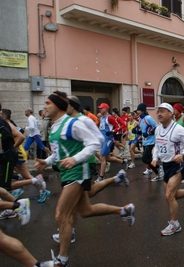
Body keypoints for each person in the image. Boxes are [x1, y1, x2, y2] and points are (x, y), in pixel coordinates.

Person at [35, 91, 135, 267]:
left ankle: (62, 260)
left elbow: (95, 142)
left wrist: (76, 158)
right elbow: (58, 153)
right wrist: (47, 161)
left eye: (48, 103)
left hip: (78, 171)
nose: (44, 107)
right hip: (67, 172)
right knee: (86, 210)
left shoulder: (74, 123)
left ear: (59, 105)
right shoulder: (54, 126)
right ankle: (124, 211)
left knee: (61, 214)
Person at [50, 95, 129, 244]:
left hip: (82, 163)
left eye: (65, 104)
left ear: (72, 106)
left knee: (69, 207)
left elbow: (97, 139)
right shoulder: (66, 122)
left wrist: (79, 154)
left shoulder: (84, 120)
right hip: (73, 165)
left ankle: (67, 238)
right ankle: (118, 183)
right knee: (86, 202)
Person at [151, 103, 184, 236]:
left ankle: (175, 224)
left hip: (177, 165)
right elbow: (157, 145)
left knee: (169, 195)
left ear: (170, 113)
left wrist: (183, 155)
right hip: (165, 164)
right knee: (172, 195)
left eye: (162, 111)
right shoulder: (158, 129)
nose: (159, 114)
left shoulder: (178, 129)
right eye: (158, 111)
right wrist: (154, 157)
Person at [95, 103, 128, 183]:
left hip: (108, 140)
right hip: (103, 140)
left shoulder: (109, 118)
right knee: (107, 158)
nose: (99, 109)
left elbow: (118, 126)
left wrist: (112, 131)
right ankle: (123, 161)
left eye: (101, 108)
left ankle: (101, 177)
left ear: (105, 109)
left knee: (102, 157)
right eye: (99, 108)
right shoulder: (102, 117)